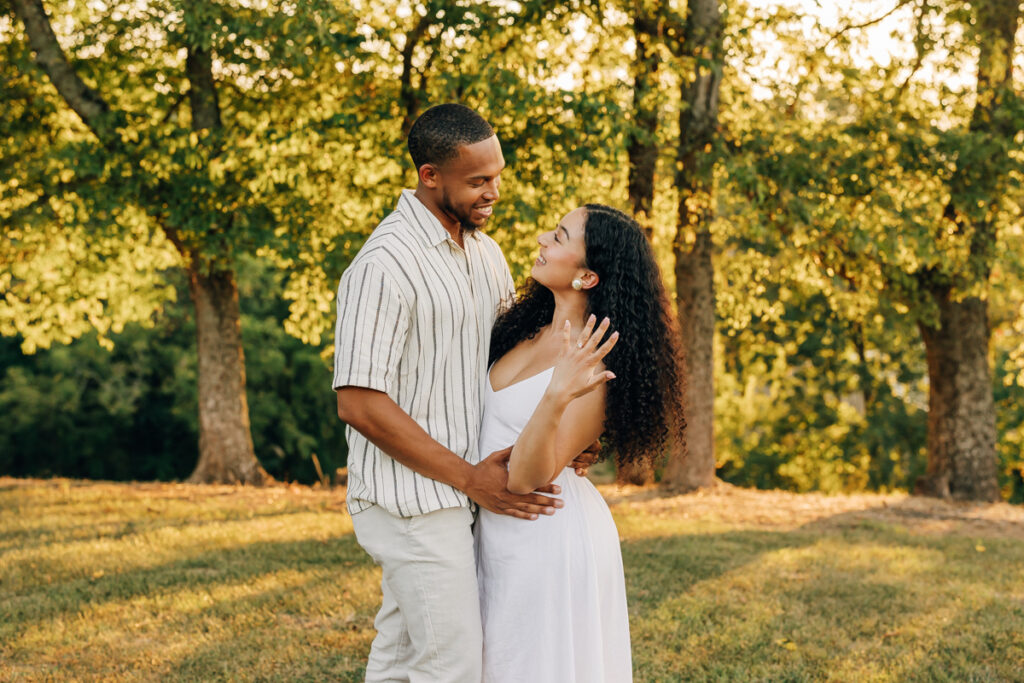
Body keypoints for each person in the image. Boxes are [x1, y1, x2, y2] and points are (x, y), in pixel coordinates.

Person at [332, 104, 593, 682]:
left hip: (460, 494)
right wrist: (470, 478)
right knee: (451, 666)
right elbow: (358, 402)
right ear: (430, 176)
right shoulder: (383, 264)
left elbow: (501, 370)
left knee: (401, 655)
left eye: (496, 176)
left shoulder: (486, 254)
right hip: (411, 500)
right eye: (478, 181)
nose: (493, 192)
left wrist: (564, 434)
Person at [475, 204, 687, 682]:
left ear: (587, 276)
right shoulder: (523, 329)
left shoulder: (595, 364)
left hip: (547, 535)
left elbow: (527, 478)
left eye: (559, 237)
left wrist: (555, 396)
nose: (542, 240)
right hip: (496, 531)